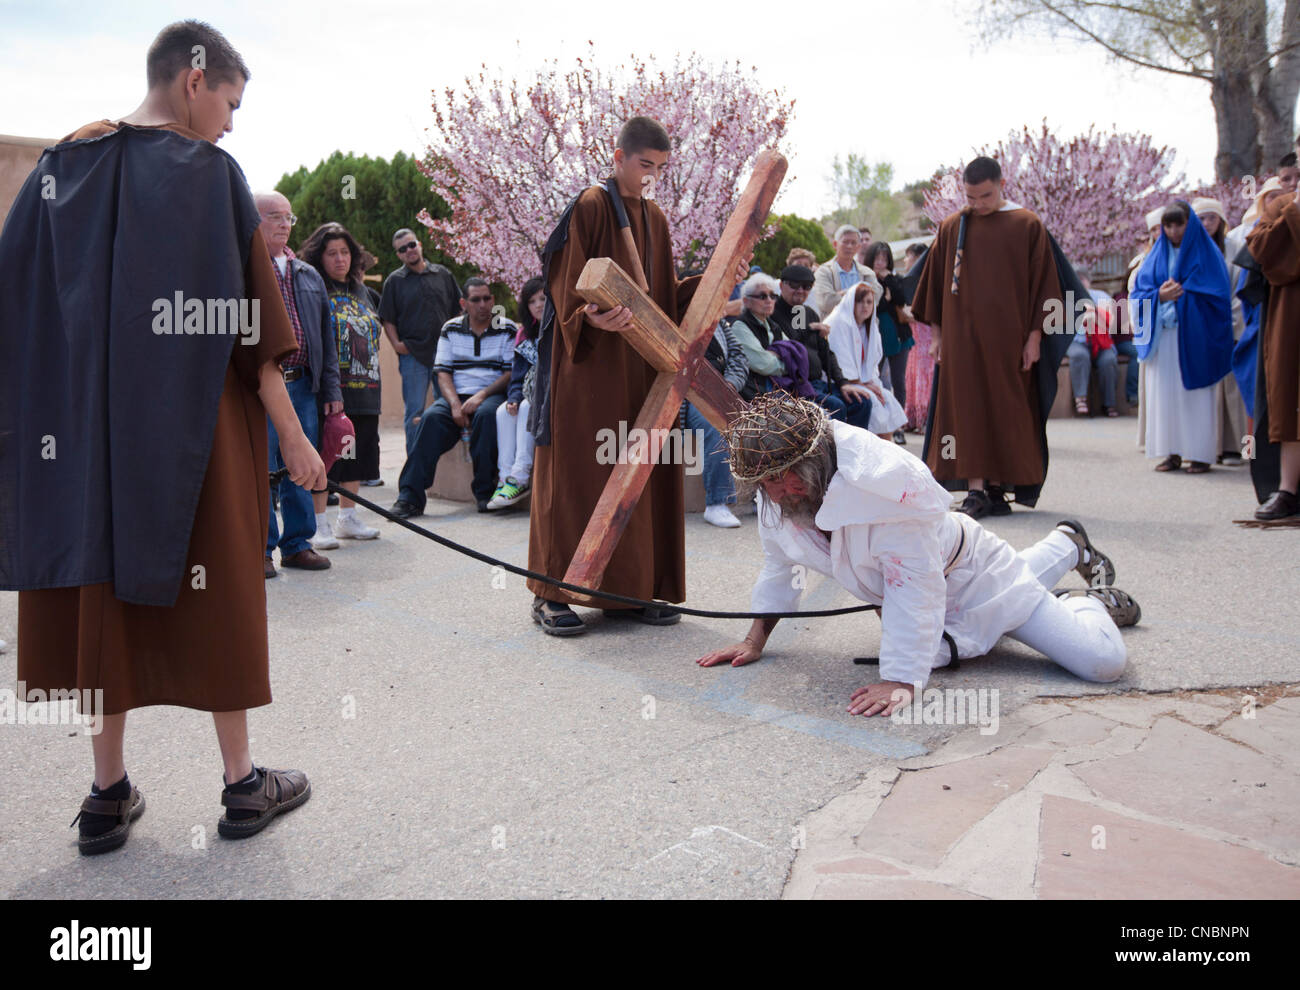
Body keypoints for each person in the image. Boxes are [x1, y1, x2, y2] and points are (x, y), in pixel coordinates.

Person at [2, 20, 316, 854]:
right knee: (217, 595)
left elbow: (18, 308)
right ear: (194, 77)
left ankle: (106, 795)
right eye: (230, 101)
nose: (231, 123)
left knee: (103, 584)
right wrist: (296, 442)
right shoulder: (208, 175)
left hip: (87, 434)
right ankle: (243, 784)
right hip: (192, 431)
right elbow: (256, 339)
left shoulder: (59, 167)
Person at [695, 394, 1138, 717]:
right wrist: (754, 640)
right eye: (770, 481)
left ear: (820, 458)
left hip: (978, 575)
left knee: (1102, 662)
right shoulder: (775, 499)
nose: (783, 490)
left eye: (793, 474)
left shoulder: (887, 491)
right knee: (939, 652)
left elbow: (915, 587)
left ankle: (1086, 603)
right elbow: (779, 569)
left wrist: (902, 679)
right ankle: (1066, 544)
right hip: (930, 582)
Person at [525, 116, 746, 636]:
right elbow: (565, 287)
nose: (651, 177)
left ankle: (627, 592)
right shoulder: (590, 205)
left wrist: (718, 278)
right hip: (589, 371)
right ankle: (550, 593)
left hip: (642, 371)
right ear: (618, 156)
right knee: (578, 476)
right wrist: (588, 317)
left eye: (661, 169)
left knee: (638, 477)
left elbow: (664, 299)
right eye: (644, 164)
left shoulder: (657, 219)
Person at [911, 156, 1068, 518]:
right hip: (961, 341)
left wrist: (1034, 338)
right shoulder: (954, 227)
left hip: (1009, 340)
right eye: (970, 197)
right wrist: (936, 335)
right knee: (966, 411)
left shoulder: (1027, 224)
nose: (978, 204)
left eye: (985, 196)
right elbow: (934, 285)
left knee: (1006, 411)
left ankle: (998, 487)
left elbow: (1043, 284)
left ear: (1001, 184)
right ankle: (976, 488)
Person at [256, 191, 343, 572]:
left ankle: (297, 544)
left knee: (302, 469)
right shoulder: (244, 270)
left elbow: (327, 337)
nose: (284, 224)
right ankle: (259, 550)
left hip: (304, 385)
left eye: (289, 217)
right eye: (275, 216)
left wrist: (332, 392)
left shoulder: (308, 274)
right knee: (263, 470)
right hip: (261, 388)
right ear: (253, 219)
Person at [391, 278, 515, 515]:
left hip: (492, 393)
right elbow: (443, 373)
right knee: (430, 420)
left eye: (487, 298)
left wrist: (481, 395)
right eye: (475, 299)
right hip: (456, 395)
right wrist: (456, 405)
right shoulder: (451, 328)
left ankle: (485, 493)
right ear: (463, 303)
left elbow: (509, 373)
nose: (482, 304)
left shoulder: (506, 328)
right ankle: (410, 497)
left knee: (488, 416)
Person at [1131, 203, 1234, 474]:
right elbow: (1139, 293)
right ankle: (1171, 452)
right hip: (1163, 336)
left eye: (1179, 224)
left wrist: (1185, 295)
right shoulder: (1155, 256)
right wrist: (1158, 297)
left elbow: (1218, 294)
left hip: (1195, 334)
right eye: (1169, 225)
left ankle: (1199, 454)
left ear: (1190, 224)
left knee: (1195, 395)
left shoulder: (1207, 254)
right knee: (1164, 394)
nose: (1174, 231)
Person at [299, 222, 383, 537]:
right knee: (328, 457)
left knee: (357, 457)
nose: (339, 259)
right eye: (331, 253)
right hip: (331, 392)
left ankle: (348, 519)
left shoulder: (365, 292)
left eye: (345, 252)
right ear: (319, 258)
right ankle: (318, 523)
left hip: (367, 390)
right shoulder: (313, 289)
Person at [379, 229, 464, 455]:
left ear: (420, 244)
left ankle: (440, 461)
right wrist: (397, 345)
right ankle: (415, 468)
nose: (409, 251)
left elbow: (459, 309)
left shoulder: (443, 274)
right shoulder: (394, 282)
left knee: (446, 406)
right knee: (414, 411)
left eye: (411, 244)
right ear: (398, 255)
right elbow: (387, 318)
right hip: (413, 356)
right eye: (402, 249)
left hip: (445, 356)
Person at [1244, 183, 1300, 518]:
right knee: (1290, 402)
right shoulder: (1282, 205)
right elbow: (1260, 249)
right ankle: (1288, 490)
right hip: (1291, 320)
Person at [771, 263, 874, 431]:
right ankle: (832, 456)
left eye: (806, 286)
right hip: (793, 386)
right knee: (836, 406)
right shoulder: (772, 311)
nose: (800, 290)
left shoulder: (806, 312)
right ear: (782, 285)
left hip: (818, 383)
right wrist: (810, 329)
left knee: (861, 401)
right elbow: (789, 347)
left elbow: (826, 352)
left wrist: (842, 383)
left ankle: (853, 452)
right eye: (794, 285)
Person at [1194, 198, 1250, 466]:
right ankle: (1207, 447)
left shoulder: (1235, 249)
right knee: (1207, 390)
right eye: (1202, 219)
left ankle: (1232, 447)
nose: (1207, 224)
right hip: (1199, 328)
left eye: (1212, 218)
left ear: (1221, 221)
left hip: (1227, 326)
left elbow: (1240, 291)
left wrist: (1227, 323)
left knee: (1231, 389)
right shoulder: (1190, 250)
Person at [684, 319, 749, 528]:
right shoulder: (674, 314)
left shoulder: (719, 322)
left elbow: (739, 356)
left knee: (762, 423)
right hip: (686, 396)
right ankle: (717, 503)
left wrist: (728, 384)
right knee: (716, 426)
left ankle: (764, 495)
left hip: (722, 392)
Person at [487, 278, 544, 511]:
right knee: (503, 411)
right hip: (528, 391)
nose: (538, 305)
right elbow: (518, 374)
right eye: (532, 301)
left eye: (543, 298)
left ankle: (520, 477)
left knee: (528, 408)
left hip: (547, 395)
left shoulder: (559, 328)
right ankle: (505, 479)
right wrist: (513, 398)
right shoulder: (524, 334)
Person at [827, 283, 908, 438]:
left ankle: (885, 452)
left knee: (887, 399)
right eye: (860, 301)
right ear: (851, 302)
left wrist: (870, 381)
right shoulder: (838, 321)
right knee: (873, 402)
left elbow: (873, 360)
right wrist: (860, 382)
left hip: (863, 381)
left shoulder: (869, 326)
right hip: (844, 382)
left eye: (869, 302)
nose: (864, 306)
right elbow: (839, 357)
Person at [865, 241, 914, 442]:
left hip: (898, 335)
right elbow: (881, 306)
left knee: (898, 381)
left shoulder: (894, 278)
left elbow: (902, 300)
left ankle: (898, 426)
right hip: (877, 336)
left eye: (884, 258)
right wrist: (885, 297)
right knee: (879, 381)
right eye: (877, 258)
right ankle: (881, 425)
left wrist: (890, 281)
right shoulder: (866, 279)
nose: (880, 262)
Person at [1068, 269, 1119, 417]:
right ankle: (1080, 399)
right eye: (1078, 279)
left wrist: (1095, 315)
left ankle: (1109, 403)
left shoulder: (1101, 296)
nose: (1081, 281)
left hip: (1102, 341)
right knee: (1079, 355)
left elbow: (1113, 322)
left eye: (1084, 278)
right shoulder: (1068, 298)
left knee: (1109, 360)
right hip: (1078, 341)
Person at [811, 225, 882, 319]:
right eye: (845, 242)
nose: (849, 246)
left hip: (864, 330)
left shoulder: (867, 272)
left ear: (858, 247)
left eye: (853, 243)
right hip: (834, 329)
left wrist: (842, 294)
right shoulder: (823, 272)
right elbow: (827, 302)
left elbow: (874, 299)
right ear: (835, 244)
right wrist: (860, 293)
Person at [901, 242, 934, 431]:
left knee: (923, 374)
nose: (906, 260)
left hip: (926, 334)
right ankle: (915, 417)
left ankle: (924, 418)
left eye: (909, 256)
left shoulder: (921, 281)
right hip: (915, 336)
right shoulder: (909, 280)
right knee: (914, 373)